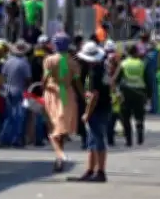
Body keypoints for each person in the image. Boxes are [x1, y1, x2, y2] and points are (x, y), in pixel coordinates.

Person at [71, 41, 111, 182]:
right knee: (93, 141)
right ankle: (91, 170)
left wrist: (87, 113)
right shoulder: (103, 68)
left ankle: (99, 171)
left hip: (97, 109)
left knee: (96, 141)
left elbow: (95, 95)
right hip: (105, 107)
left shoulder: (94, 73)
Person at [43, 33, 82, 172]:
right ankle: (59, 156)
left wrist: (42, 88)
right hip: (67, 94)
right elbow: (77, 82)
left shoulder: (49, 60)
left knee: (53, 128)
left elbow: (45, 78)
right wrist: (83, 96)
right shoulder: (72, 62)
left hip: (52, 93)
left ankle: (60, 155)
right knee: (62, 128)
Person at [0, 40, 33, 147]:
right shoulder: (24, 63)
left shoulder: (8, 61)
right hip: (19, 90)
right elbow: (28, 79)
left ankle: (4, 138)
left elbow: (2, 77)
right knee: (19, 115)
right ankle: (16, 139)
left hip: (7, 90)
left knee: (9, 115)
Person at [115, 44, 149, 147]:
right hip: (139, 92)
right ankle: (139, 136)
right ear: (136, 52)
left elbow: (117, 79)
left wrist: (117, 91)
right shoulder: (141, 64)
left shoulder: (124, 63)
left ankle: (129, 140)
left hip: (126, 93)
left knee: (126, 117)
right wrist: (149, 94)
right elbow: (147, 79)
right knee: (139, 116)